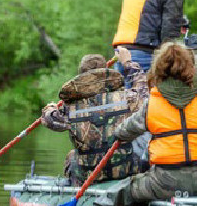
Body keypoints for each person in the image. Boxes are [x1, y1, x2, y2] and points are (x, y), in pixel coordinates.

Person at [94, 40, 197, 206]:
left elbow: (123, 131)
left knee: (106, 202)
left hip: (164, 183)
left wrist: (116, 134)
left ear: (158, 69)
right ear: (191, 67)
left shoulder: (152, 104)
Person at [41, 48, 149, 185]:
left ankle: (76, 188)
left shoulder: (70, 108)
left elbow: (49, 120)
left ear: (80, 77)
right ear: (106, 73)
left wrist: (50, 109)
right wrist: (127, 62)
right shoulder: (126, 99)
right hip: (124, 170)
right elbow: (144, 93)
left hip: (88, 175)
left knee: (71, 156)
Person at [111, 0, 194, 72]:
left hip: (121, 53)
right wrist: (171, 62)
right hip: (146, 55)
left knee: (125, 90)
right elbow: (169, 32)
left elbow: (143, 17)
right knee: (144, 90)